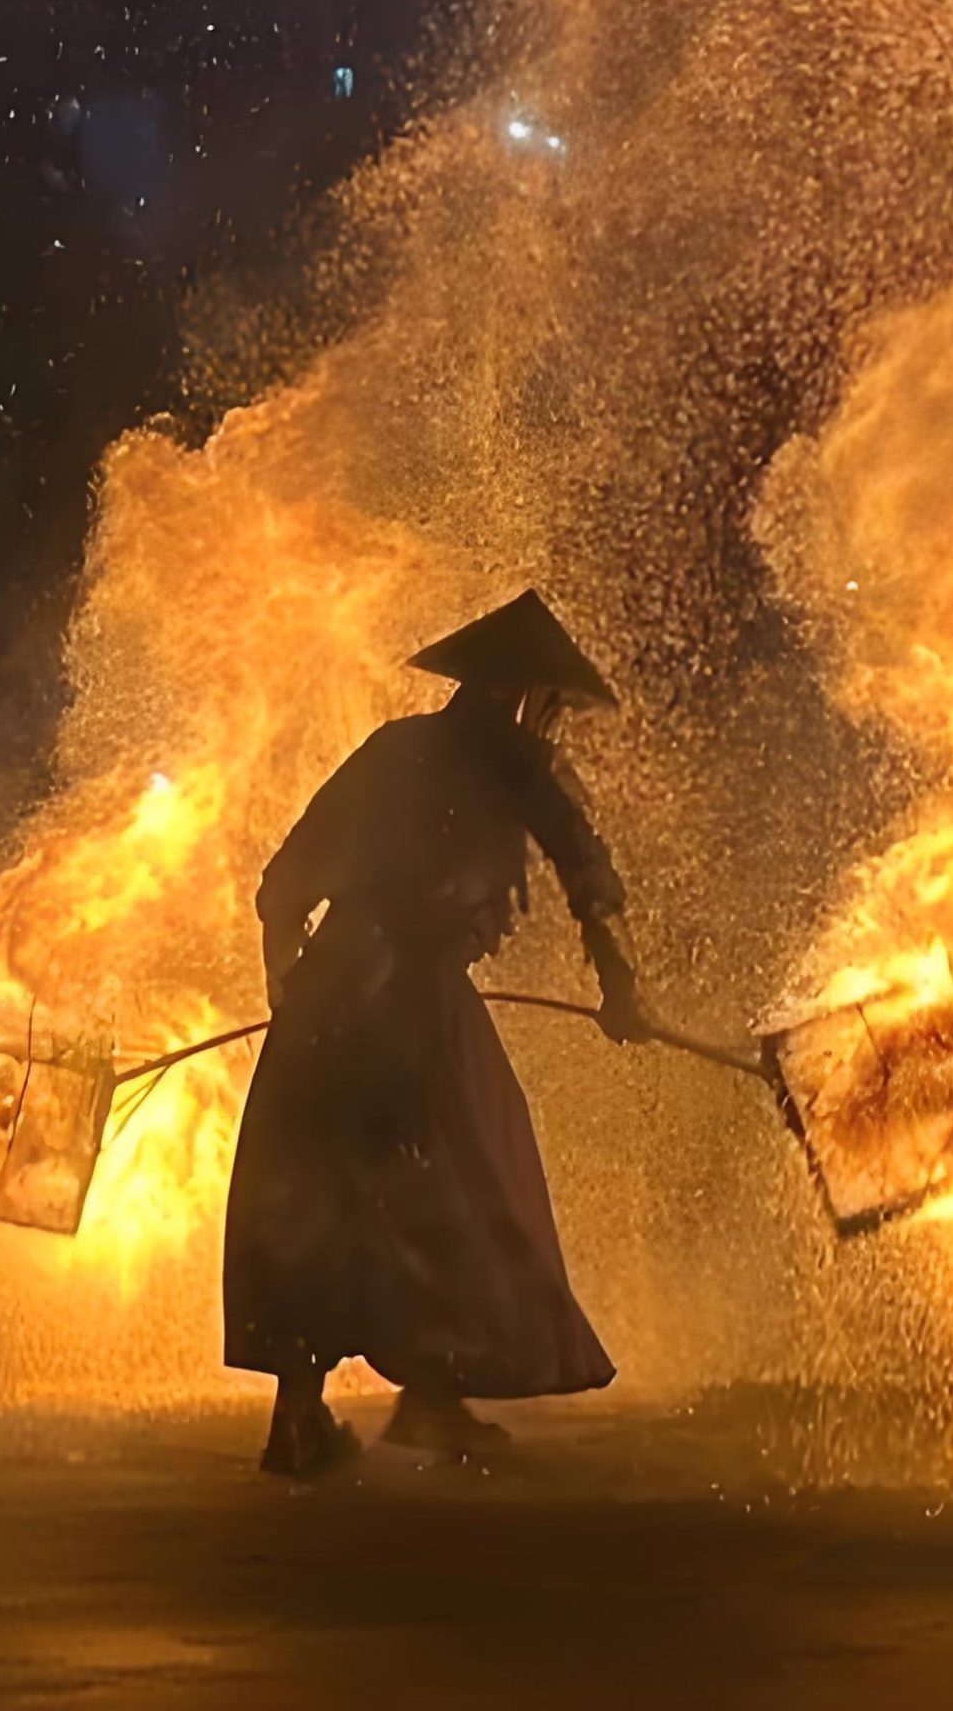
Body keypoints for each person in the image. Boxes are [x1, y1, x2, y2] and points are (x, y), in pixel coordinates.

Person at [222, 589, 648, 1476]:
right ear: (516, 695)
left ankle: (308, 1416)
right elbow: (588, 874)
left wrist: (292, 984)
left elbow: (282, 885)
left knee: (318, 1199)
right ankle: (429, 1398)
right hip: (409, 1007)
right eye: (547, 704)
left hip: (329, 1001)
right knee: (462, 1182)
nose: (551, 723)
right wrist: (619, 990)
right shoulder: (515, 768)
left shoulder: (391, 750)